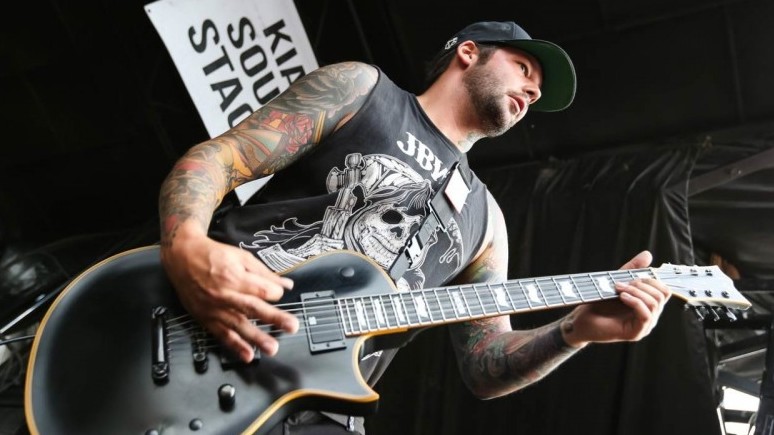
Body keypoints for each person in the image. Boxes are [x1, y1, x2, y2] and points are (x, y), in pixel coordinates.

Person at [158, 20, 671, 434]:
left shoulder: (485, 220)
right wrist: (186, 248)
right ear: (469, 52)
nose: (532, 90)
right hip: (194, 332)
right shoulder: (363, 91)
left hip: (315, 412)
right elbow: (220, 159)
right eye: (523, 67)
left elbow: (485, 363)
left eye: (535, 91)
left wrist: (573, 331)